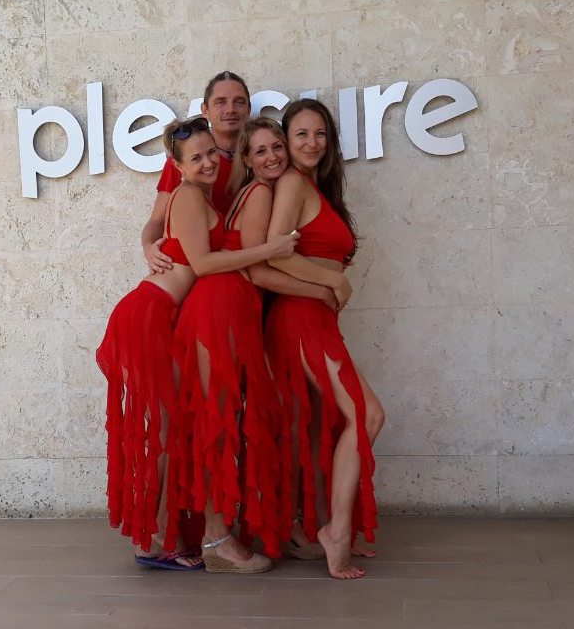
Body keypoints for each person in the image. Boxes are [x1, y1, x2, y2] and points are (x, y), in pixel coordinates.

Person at [96, 115, 296, 571]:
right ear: (179, 167)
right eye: (196, 158)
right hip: (148, 315)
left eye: (211, 154)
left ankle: (158, 539)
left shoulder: (199, 196)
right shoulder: (186, 196)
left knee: (171, 431)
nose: (207, 163)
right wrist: (270, 250)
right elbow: (203, 265)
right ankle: (157, 541)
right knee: (166, 431)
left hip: (161, 314)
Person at [264, 98, 386, 580]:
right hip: (300, 318)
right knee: (367, 414)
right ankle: (335, 531)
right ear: (287, 140)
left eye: (320, 134)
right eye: (301, 134)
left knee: (330, 425)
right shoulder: (292, 182)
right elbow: (276, 253)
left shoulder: (316, 187)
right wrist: (332, 280)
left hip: (317, 319)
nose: (312, 142)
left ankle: (328, 526)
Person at [222, 118, 342, 561]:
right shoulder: (260, 193)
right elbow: (260, 272)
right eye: (261, 151)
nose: (273, 156)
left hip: (251, 313)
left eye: (276, 146)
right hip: (238, 313)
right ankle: (271, 528)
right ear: (247, 159)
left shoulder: (267, 192)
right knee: (273, 427)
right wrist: (323, 289)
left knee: (282, 424)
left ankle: (281, 525)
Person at [141, 71, 252, 274]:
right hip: (195, 276)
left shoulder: (260, 160)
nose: (230, 109)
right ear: (205, 110)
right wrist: (149, 248)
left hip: (245, 271)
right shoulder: (184, 165)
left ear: (249, 109)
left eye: (239, 102)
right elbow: (157, 220)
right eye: (220, 102)